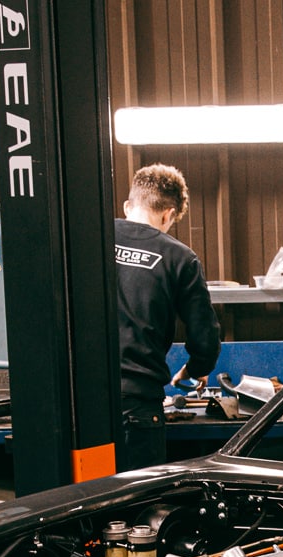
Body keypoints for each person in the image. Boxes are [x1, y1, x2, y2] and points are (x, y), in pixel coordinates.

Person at [114, 164, 220, 469]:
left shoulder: (91, 239)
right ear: (168, 215)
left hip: (81, 405)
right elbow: (205, 337)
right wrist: (194, 368)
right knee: (138, 496)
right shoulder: (180, 258)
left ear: (128, 206)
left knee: (86, 495)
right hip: (138, 406)